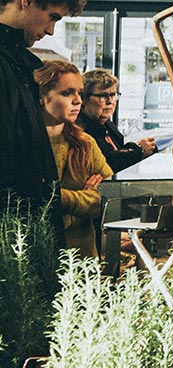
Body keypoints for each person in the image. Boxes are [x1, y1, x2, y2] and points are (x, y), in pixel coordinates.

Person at [0, 0, 85, 245]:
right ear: (28, 0)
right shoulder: (6, 63)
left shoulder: (16, 61)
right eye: (52, 17)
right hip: (14, 235)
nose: (50, 31)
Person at [36, 60, 113, 258]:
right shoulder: (23, 144)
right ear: (42, 96)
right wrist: (82, 200)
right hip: (36, 256)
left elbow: (107, 198)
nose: (77, 100)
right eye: (67, 93)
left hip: (81, 257)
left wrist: (60, 198)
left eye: (79, 92)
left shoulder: (85, 143)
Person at [78, 68, 157, 174]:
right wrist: (138, 150)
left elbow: (117, 154)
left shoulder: (107, 125)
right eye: (103, 96)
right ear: (84, 99)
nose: (110, 101)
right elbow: (106, 163)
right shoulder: (79, 129)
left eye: (113, 95)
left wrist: (142, 149)